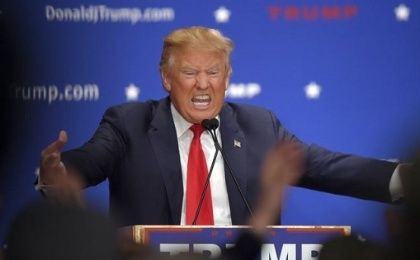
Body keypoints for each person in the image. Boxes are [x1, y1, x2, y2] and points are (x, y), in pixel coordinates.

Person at [38, 26, 401, 227]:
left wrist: (404, 179)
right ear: (166, 78)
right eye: (190, 72)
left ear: (227, 78)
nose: (203, 84)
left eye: (213, 72)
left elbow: (325, 167)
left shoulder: (260, 126)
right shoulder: (128, 124)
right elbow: (90, 160)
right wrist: (58, 172)